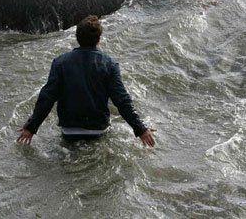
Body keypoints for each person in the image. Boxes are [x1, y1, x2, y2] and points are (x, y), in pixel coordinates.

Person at [17, 15, 155, 147]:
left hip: (69, 131)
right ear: (99, 39)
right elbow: (122, 100)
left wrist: (30, 127)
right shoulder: (110, 64)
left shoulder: (60, 63)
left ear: (77, 37)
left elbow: (46, 98)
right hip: (98, 130)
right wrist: (141, 129)